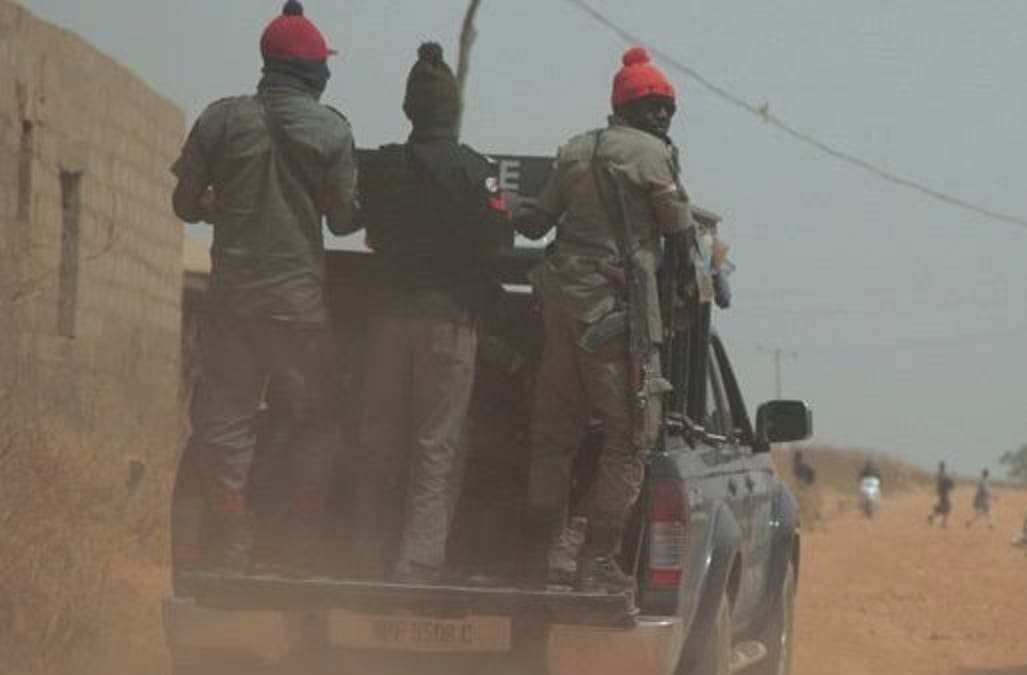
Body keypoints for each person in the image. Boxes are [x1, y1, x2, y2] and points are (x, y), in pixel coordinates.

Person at [170, 0, 357, 573]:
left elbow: (184, 202)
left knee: (225, 421)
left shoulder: (221, 119)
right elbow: (346, 218)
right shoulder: (331, 129)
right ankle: (300, 536)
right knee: (317, 422)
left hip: (233, 306)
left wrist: (220, 206)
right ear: (311, 71)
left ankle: (236, 532)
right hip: (299, 311)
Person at [513, 46, 696, 594]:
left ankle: (542, 555)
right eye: (655, 106)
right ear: (631, 108)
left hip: (562, 312)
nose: (662, 117)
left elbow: (536, 222)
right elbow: (681, 238)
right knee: (630, 440)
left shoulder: (574, 150)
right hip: (619, 320)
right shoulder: (653, 156)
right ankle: (592, 557)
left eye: (666, 108)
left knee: (552, 435)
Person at [352, 43, 512, 583]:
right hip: (447, 323)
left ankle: (366, 549)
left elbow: (359, 221)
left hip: (386, 321)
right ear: (453, 112)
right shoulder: (475, 172)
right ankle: (418, 558)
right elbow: (500, 242)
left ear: (409, 110)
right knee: (436, 441)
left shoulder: (383, 166)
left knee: (379, 436)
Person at [926, 461, 954, 527]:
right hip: (944, 493)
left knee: (940, 508)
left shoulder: (938, 474)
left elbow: (937, 483)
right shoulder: (944, 475)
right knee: (947, 508)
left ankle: (932, 516)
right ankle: (942, 523)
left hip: (939, 493)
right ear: (943, 467)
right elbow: (948, 483)